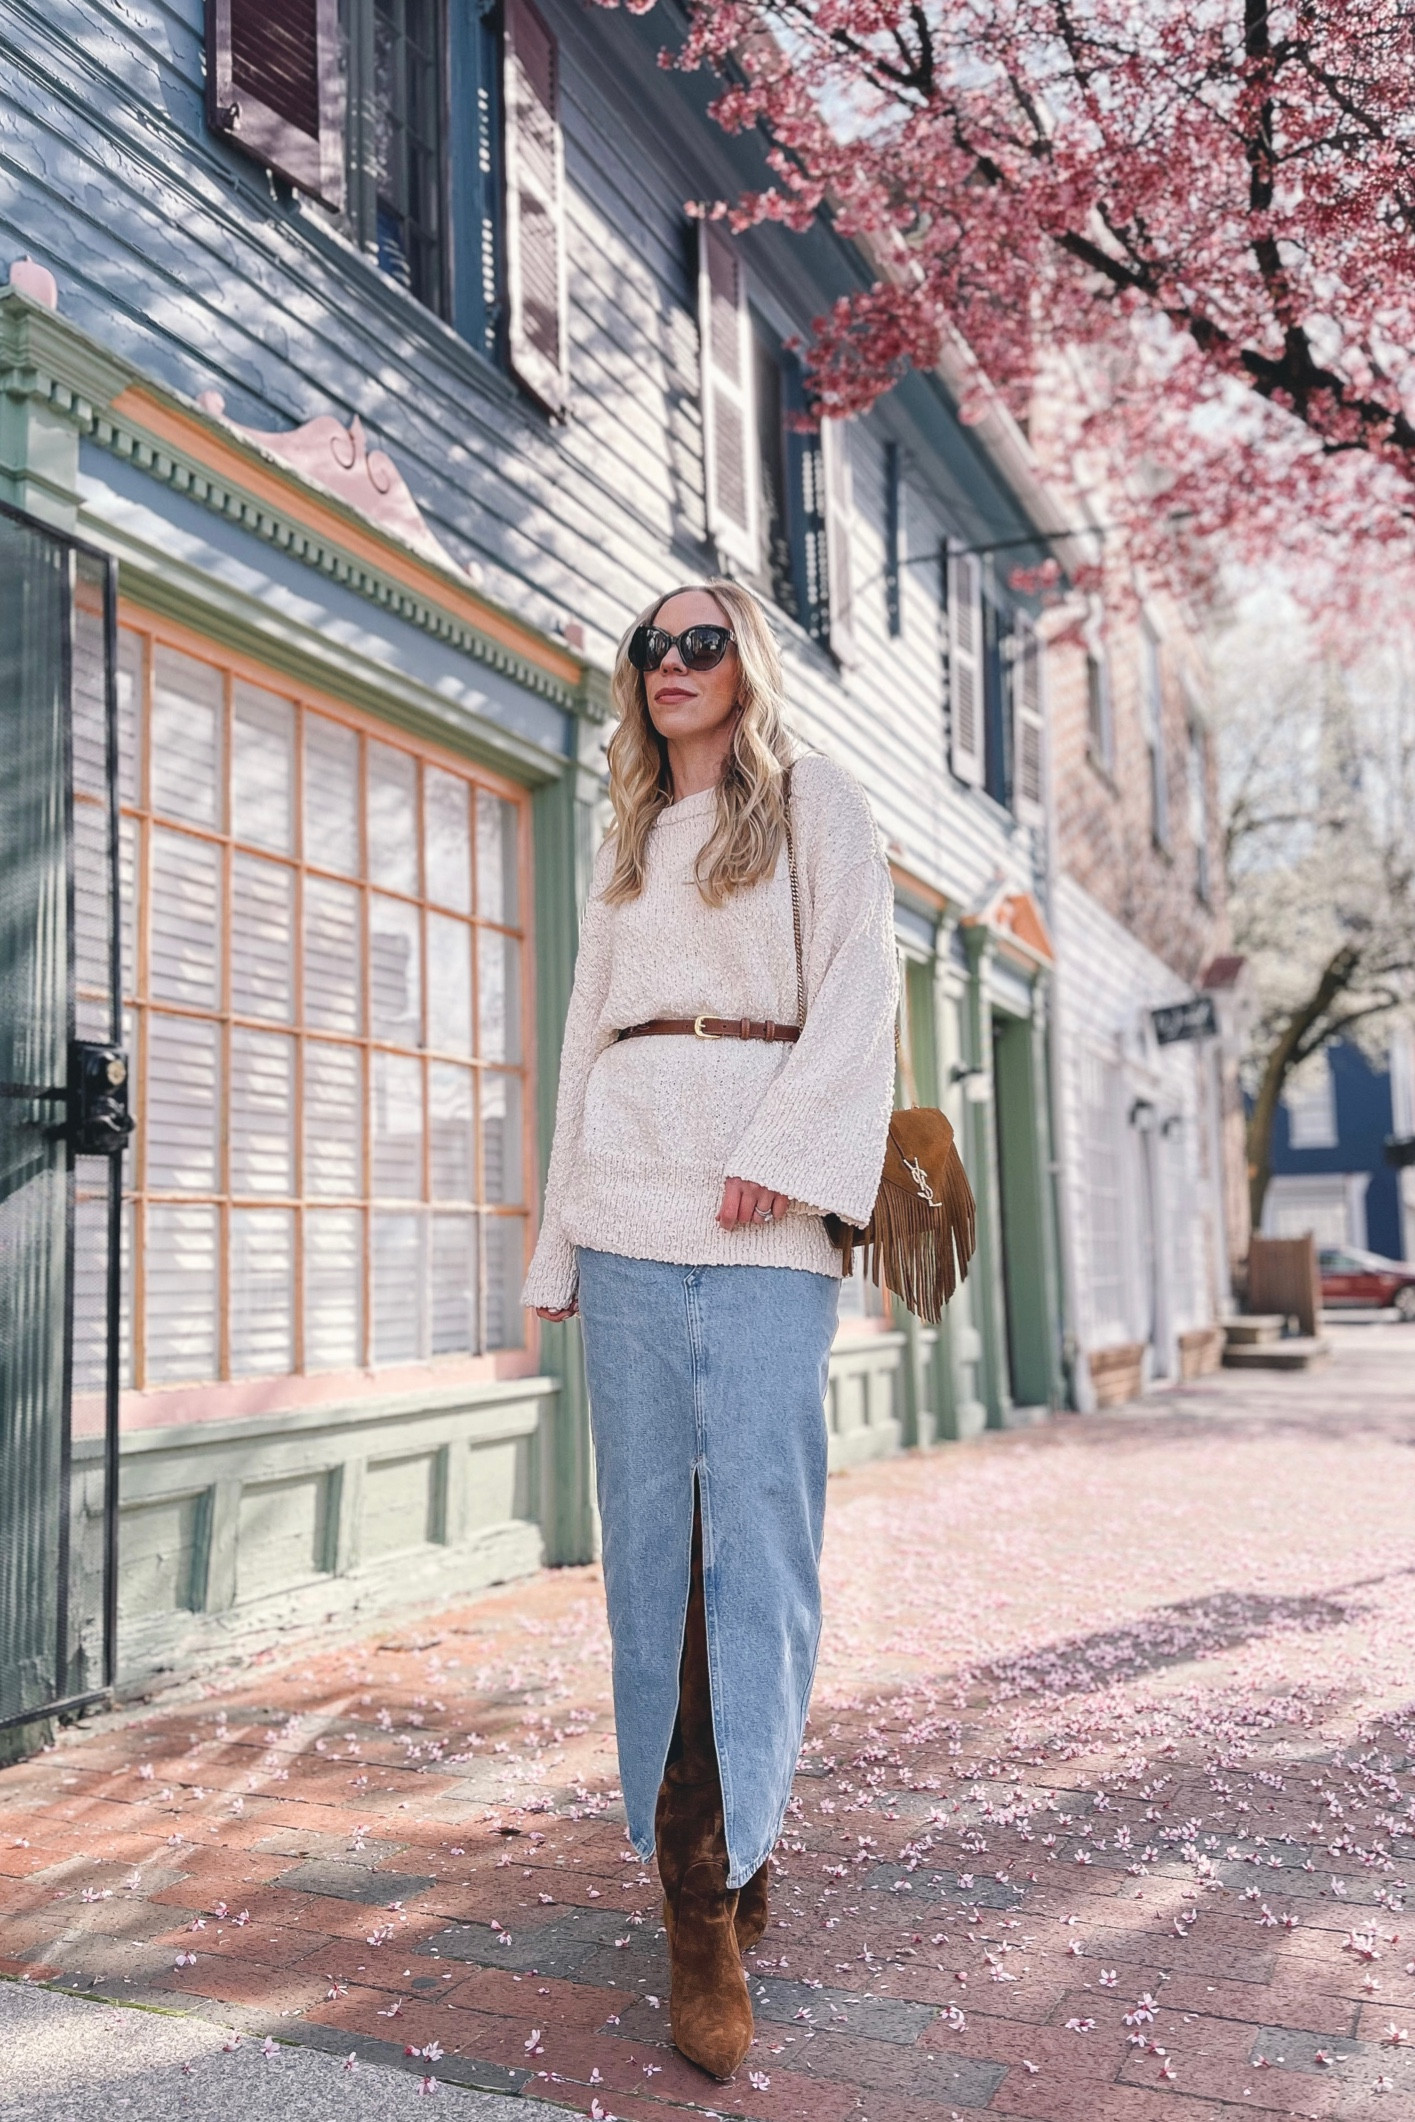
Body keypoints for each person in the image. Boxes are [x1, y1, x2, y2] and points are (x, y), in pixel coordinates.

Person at [522, 579, 897, 2078]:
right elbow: (578, 1049)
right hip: (625, 1212)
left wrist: (790, 1150)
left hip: (762, 1217)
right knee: (650, 1548)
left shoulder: (818, 803)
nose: (672, 665)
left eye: (702, 640)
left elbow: (862, 993)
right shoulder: (623, 844)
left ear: (748, 659)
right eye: (649, 648)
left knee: (761, 1529)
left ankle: (751, 1820)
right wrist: (556, 1234)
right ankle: (695, 1890)